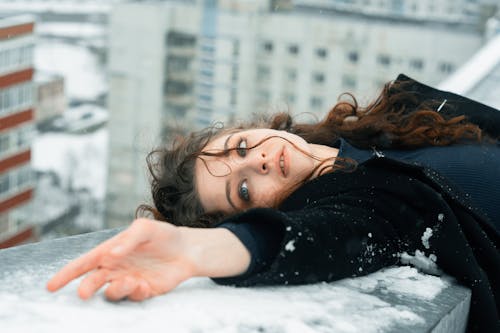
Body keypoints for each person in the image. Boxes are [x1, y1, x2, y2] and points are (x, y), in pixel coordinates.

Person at [47, 74, 500, 332]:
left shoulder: (386, 119)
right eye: (243, 191)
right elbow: (325, 237)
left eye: (241, 147)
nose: (257, 162)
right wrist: (195, 252)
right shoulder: (362, 201)